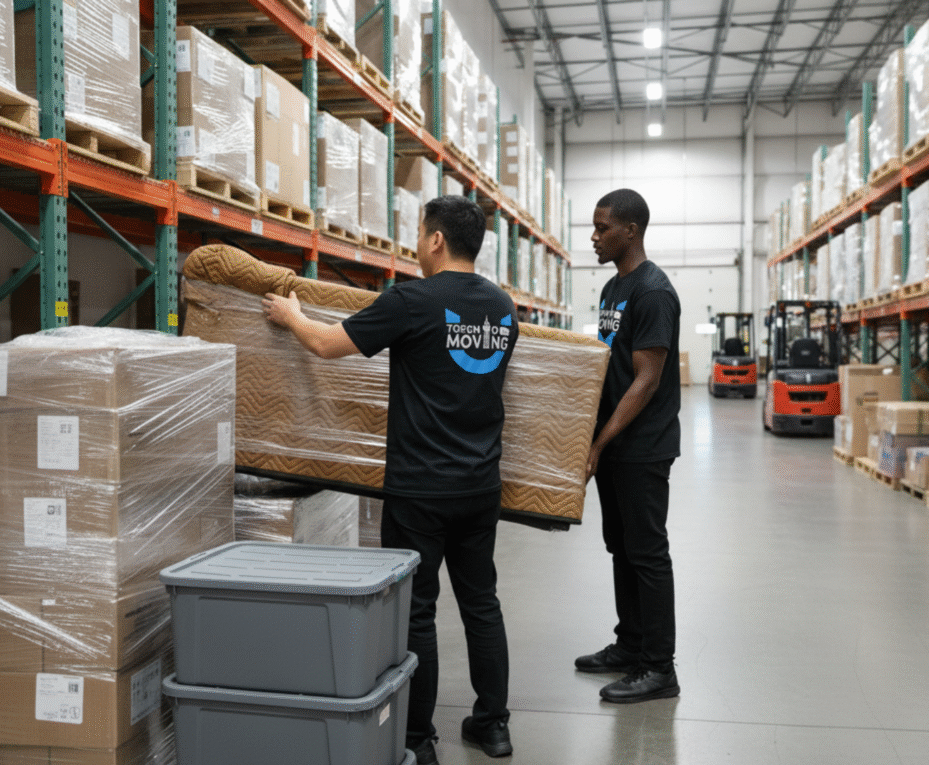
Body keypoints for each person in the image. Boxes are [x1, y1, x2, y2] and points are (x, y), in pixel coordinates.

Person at [263, 195, 518, 763]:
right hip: (480, 485)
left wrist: (292, 317)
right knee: (482, 603)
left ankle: (417, 737)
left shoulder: (414, 301)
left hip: (420, 487)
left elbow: (330, 345)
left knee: (418, 608)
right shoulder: (502, 308)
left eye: (419, 234)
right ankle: (493, 725)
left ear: (436, 240)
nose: (416, 245)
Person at [575, 188, 681, 703]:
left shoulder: (653, 291)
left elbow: (646, 380)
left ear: (630, 230)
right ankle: (630, 645)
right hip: (614, 441)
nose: (593, 237)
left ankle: (660, 668)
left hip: (642, 444)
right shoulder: (612, 290)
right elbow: (609, 367)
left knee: (646, 552)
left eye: (601, 228)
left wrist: (601, 440)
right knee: (620, 546)